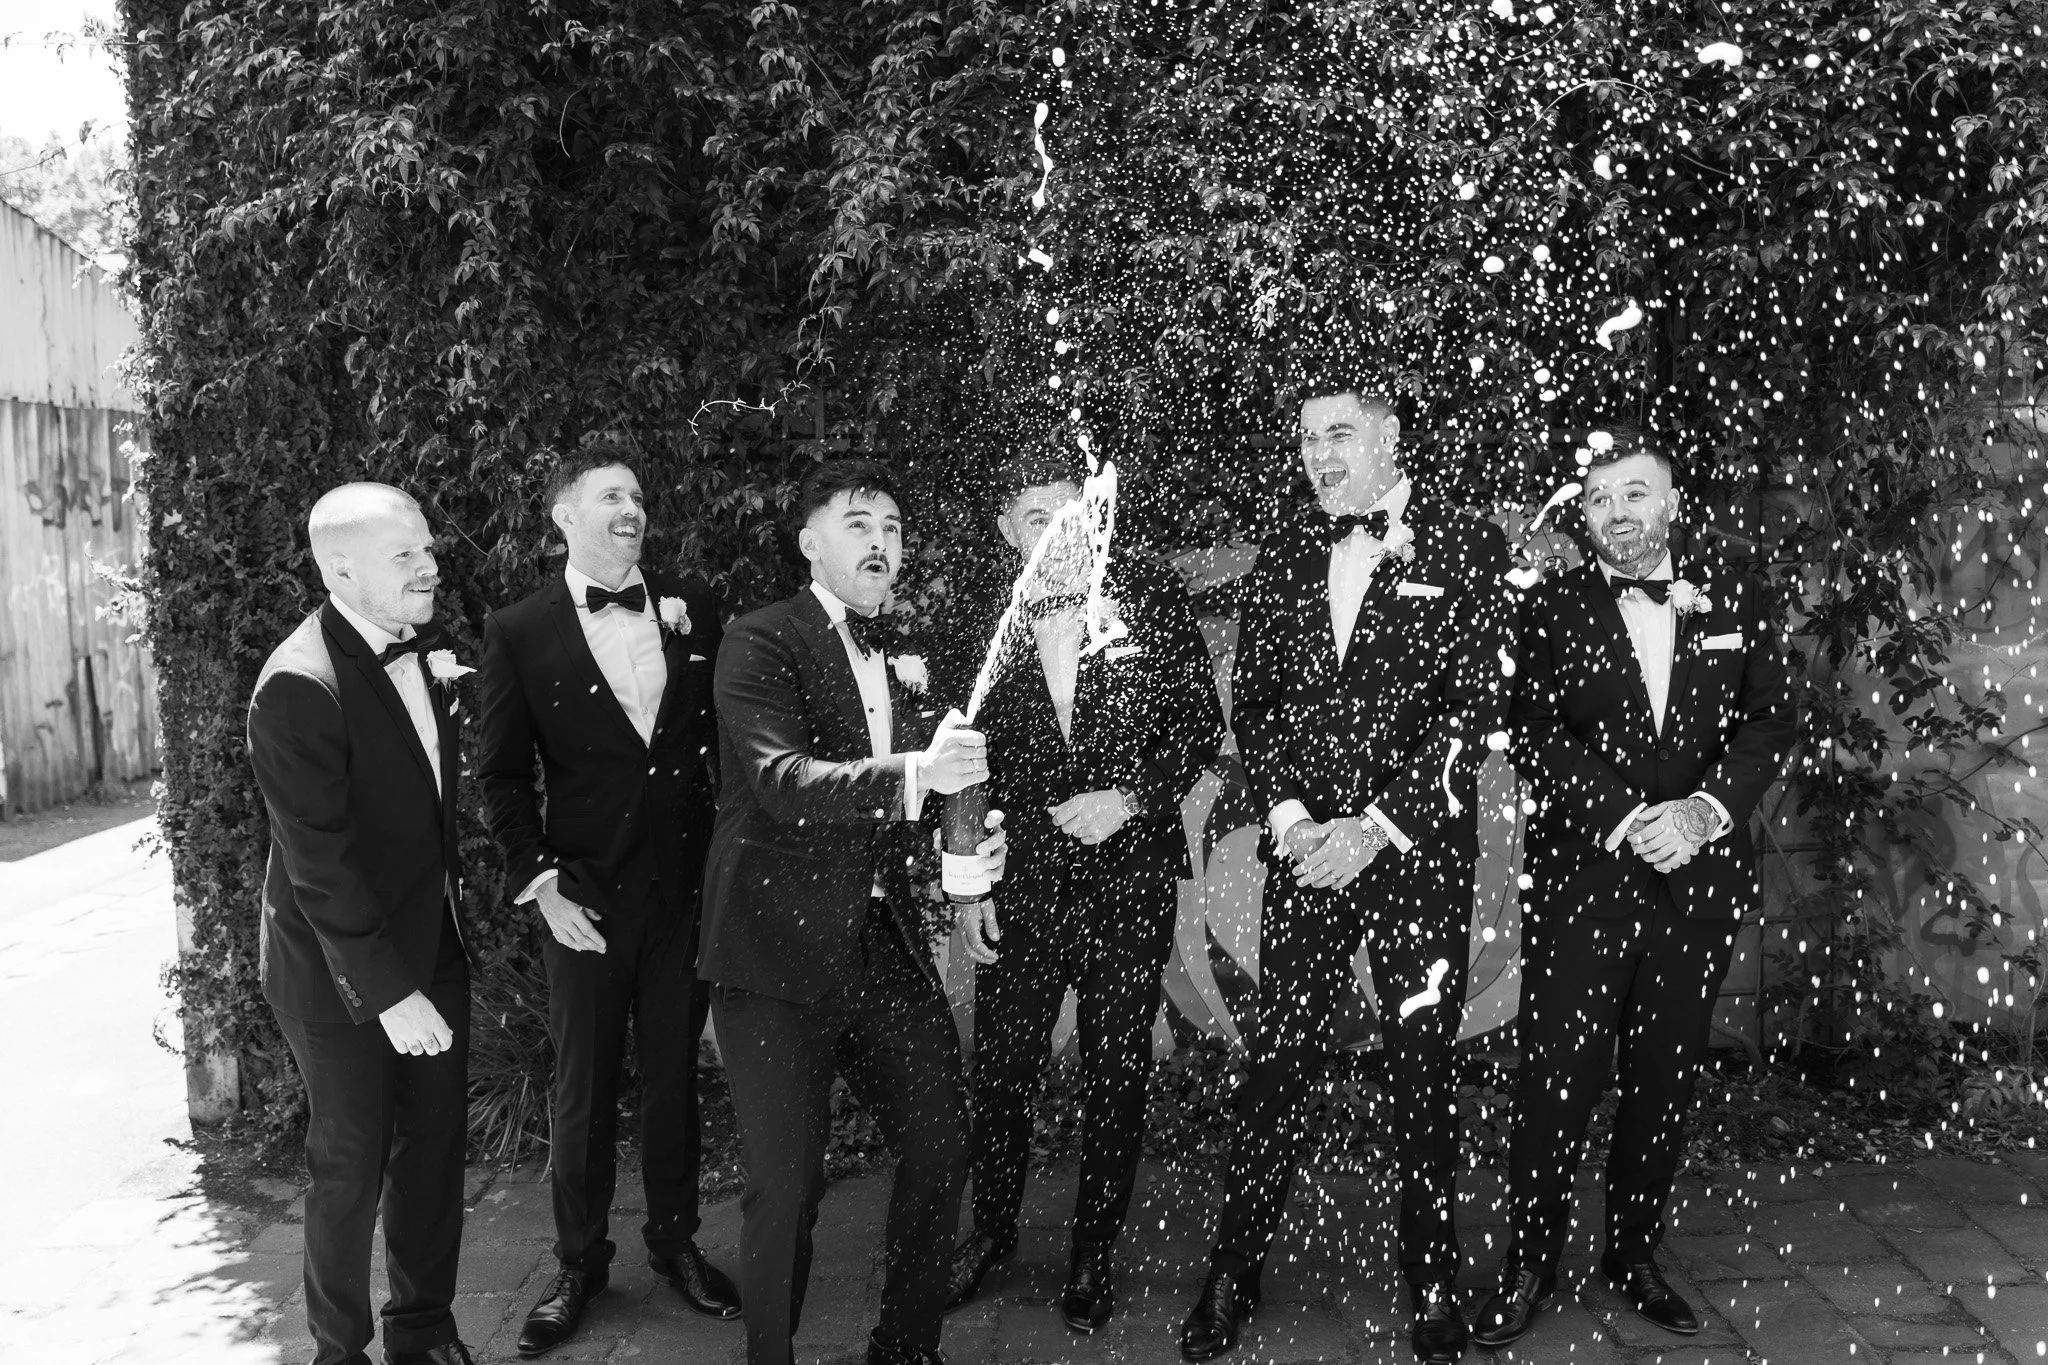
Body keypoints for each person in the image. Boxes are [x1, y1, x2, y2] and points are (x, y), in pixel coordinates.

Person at [1179, 386, 1515, 1365]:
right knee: (1276, 1066)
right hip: (1304, 862)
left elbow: (1473, 712)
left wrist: (1373, 828)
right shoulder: (1284, 555)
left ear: (1387, 440)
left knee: (1422, 1076)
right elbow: (1263, 705)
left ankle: (1432, 1281)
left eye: (1337, 435)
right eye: (1305, 439)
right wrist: (1288, 818)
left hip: (1411, 859)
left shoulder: (1460, 549)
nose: (1318, 454)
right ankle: (1231, 1272)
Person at [1474, 431, 1794, 1348]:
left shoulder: (1733, 593)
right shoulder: (1551, 608)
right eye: (1602, 498)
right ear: (1584, 515)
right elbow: (1530, 727)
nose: (1618, 512)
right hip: (1587, 882)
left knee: (1663, 1078)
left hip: (1698, 885)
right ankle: (1530, 1260)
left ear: (1671, 503)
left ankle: (1635, 1252)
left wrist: (1701, 810)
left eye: (1635, 495)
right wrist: (1625, 815)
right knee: (1555, 1081)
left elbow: (1773, 717)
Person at [698, 457, 1009, 1365]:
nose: (882, 541)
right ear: (810, 542)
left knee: (943, 1139)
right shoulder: (760, 639)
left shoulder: (906, 657)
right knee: (786, 1185)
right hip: (770, 957)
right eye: (860, 522)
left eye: (894, 527)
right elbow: (783, 782)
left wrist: (973, 860)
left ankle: (906, 1347)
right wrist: (919, 777)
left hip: (878, 945)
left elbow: (930, 810)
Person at [938, 455, 1226, 1332]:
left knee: (1116, 1071)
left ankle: (1094, 1252)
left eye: (1071, 512)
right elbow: (959, 760)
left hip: (1129, 881)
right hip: (1020, 886)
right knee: (1002, 1070)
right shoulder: (977, 620)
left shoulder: (1148, 595)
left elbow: (1198, 726)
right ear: (1007, 529)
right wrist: (966, 882)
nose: (1058, 531)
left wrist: (1132, 793)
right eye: (1036, 517)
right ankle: (988, 1233)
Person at [476, 447, 740, 1355]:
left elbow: (726, 743)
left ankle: (676, 1244)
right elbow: (502, 777)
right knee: (581, 1089)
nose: (631, 508)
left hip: (680, 894)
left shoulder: (692, 603)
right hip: (581, 901)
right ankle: (579, 1264)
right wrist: (541, 887)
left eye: (638, 493)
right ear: (563, 516)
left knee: (674, 1080)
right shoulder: (518, 630)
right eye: (610, 496)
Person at [246, 483, 474, 1365]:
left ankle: (425, 1331)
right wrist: (388, 993)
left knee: (433, 1153)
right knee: (349, 1165)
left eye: (427, 546)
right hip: (333, 968)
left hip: (432, 938)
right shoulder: (297, 686)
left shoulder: (417, 651)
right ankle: (339, 1352)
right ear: (341, 568)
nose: (429, 564)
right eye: (405, 554)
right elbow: (320, 867)